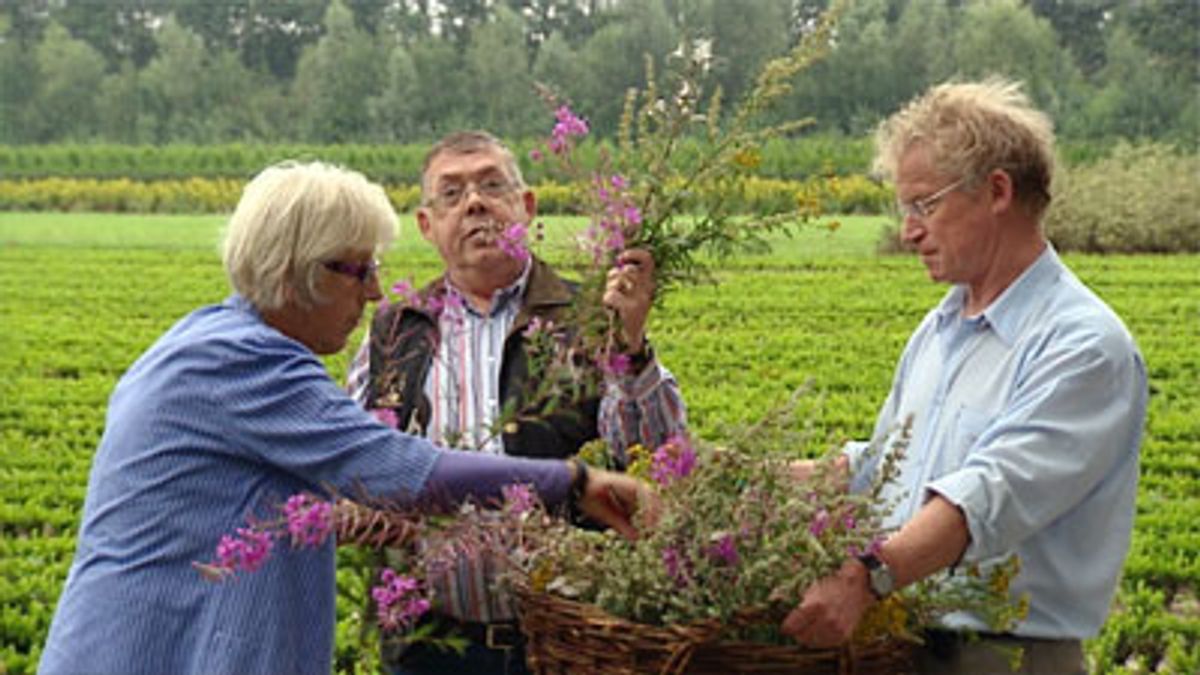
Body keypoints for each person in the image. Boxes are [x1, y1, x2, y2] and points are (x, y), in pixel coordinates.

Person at [37, 161, 653, 675]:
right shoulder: (240, 360)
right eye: (358, 270)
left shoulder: (206, 340)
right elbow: (402, 468)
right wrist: (576, 485)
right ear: (292, 270)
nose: (376, 293)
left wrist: (353, 518)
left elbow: (246, 495)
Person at [780, 79, 1147, 675]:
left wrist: (865, 577)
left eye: (924, 205)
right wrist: (735, 484)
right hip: (904, 649)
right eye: (905, 210)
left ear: (997, 191)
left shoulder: (1083, 346)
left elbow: (986, 497)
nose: (909, 230)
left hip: (1001, 659)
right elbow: (882, 467)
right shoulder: (940, 328)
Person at [345, 130, 687, 674]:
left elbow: (656, 459)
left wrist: (631, 348)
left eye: (491, 185)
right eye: (451, 194)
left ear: (525, 208)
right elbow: (355, 462)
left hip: (567, 643)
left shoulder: (590, 315)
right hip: (428, 648)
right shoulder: (395, 331)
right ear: (428, 226)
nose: (475, 203)